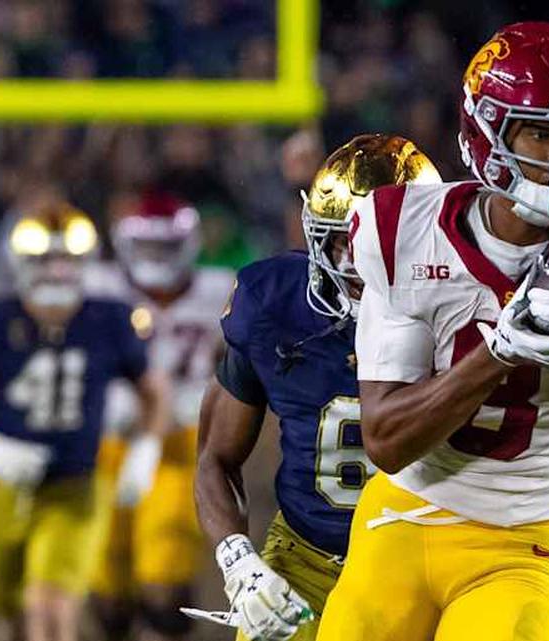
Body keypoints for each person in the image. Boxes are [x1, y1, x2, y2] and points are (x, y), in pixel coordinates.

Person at [316, 21, 549, 641]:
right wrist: (502, 352)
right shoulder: (404, 229)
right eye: (541, 132)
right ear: (485, 130)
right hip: (400, 520)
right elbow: (387, 439)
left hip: (523, 544)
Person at [188, 134, 442, 641]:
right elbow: (215, 457)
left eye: (384, 239)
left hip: (426, 562)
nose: (360, 260)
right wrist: (238, 561)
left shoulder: (469, 309)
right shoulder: (273, 304)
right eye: (346, 238)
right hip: (307, 558)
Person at [0, 198, 169, 641]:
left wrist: (147, 446)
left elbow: (154, 389)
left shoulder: (108, 317)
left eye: (67, 259)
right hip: (1, 487)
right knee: (12, 613)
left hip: (74, 485)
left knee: (51, 611)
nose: (57, 271)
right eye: (44, 259)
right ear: (19, 262)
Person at [87, 191, 235, 641]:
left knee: (165, 575)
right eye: (147, 247)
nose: (155, 257)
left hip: (180, 441)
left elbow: (242, 365)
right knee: (105, 581)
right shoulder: (100, 287)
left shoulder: (220, 288)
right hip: (110, 443)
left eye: (164, 247)